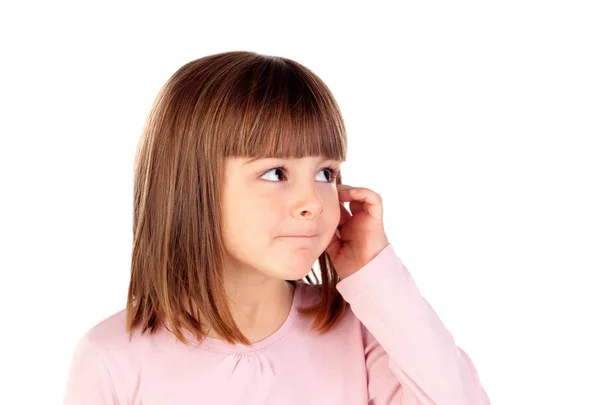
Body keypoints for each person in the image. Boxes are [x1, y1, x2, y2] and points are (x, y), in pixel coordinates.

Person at [63, 51, 490, 405]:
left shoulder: (359, 332)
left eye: (325, 173)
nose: (311, 203)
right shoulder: (112, 361)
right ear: (191, 184)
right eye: (275, 173)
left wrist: (375, 273)